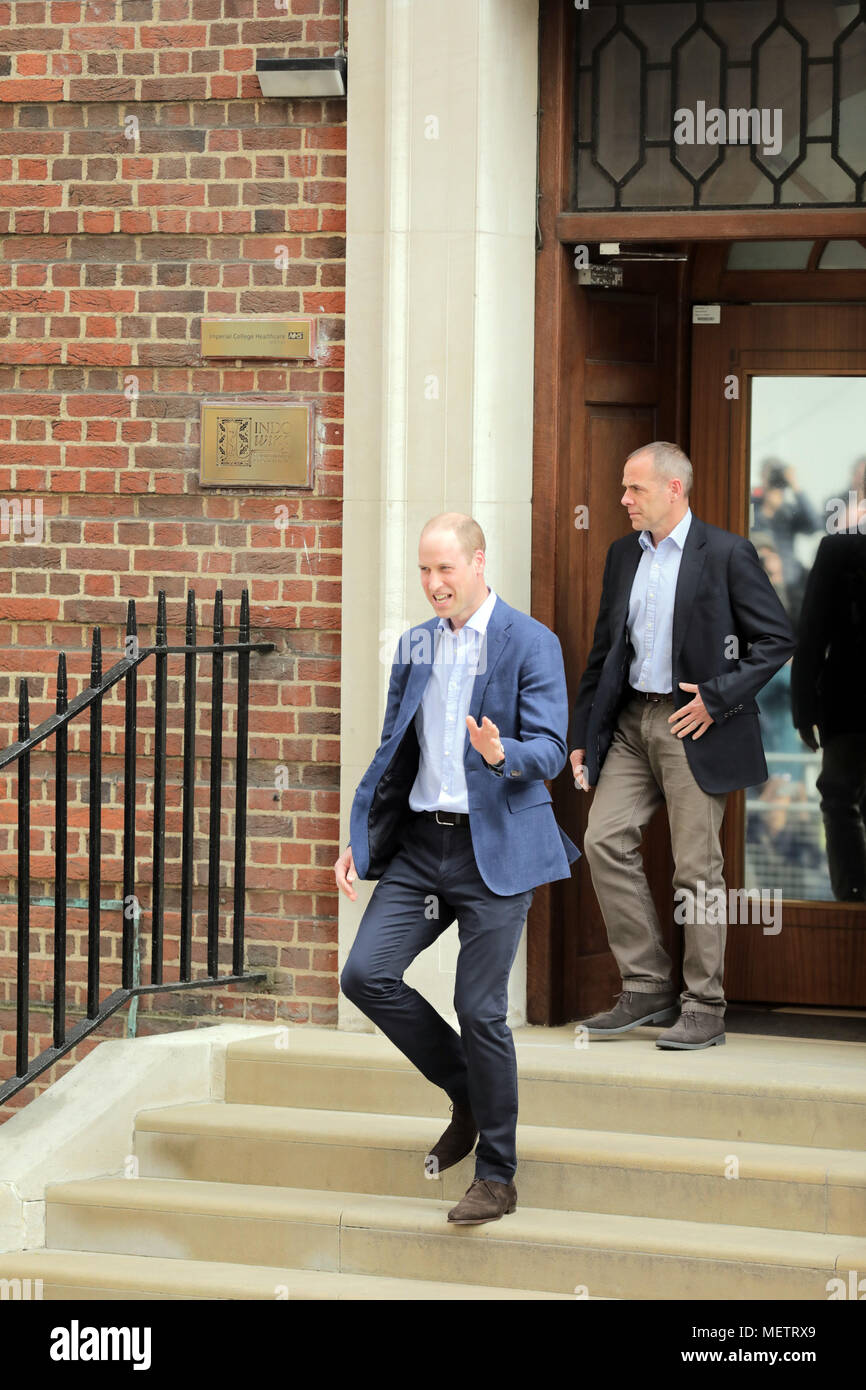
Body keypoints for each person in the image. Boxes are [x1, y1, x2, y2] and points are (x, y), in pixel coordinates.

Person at [336, 513, 579, 1224]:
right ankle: (468, 1091)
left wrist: (505, 755)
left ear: (478, 562)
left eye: (446, 568)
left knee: (480, 1009)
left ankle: (497, 1175)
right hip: (420, 848)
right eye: (423, 570)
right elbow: (391, 751)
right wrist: (361, 836)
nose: (433, 583)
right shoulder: (415, 644)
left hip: (493, 850)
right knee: (366, 975)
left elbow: (552, 745)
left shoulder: (530, 642)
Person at [569, 442, 795, 1050]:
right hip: (629, 725)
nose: (623, 500)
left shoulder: (726, 553)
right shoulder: (623, 555)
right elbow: (604, 653)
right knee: (601, 839)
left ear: (674, 490)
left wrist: (717, 697)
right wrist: (584, 735)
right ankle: (646, 986)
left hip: (693, 724)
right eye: (624, 488)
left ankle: (704, 1005)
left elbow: (775, 639)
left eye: (634, 489)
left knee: (697, 871)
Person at [791, 531, 866, 902]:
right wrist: (803, 709)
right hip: (847, 703)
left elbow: (812, 631)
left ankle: (852, 896)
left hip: (846, 702)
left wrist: (804, 711)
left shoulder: (839, 549)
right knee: (839, 796)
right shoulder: (839, 550)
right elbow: (811, 632)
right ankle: (851, 897)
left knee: (839, 797)